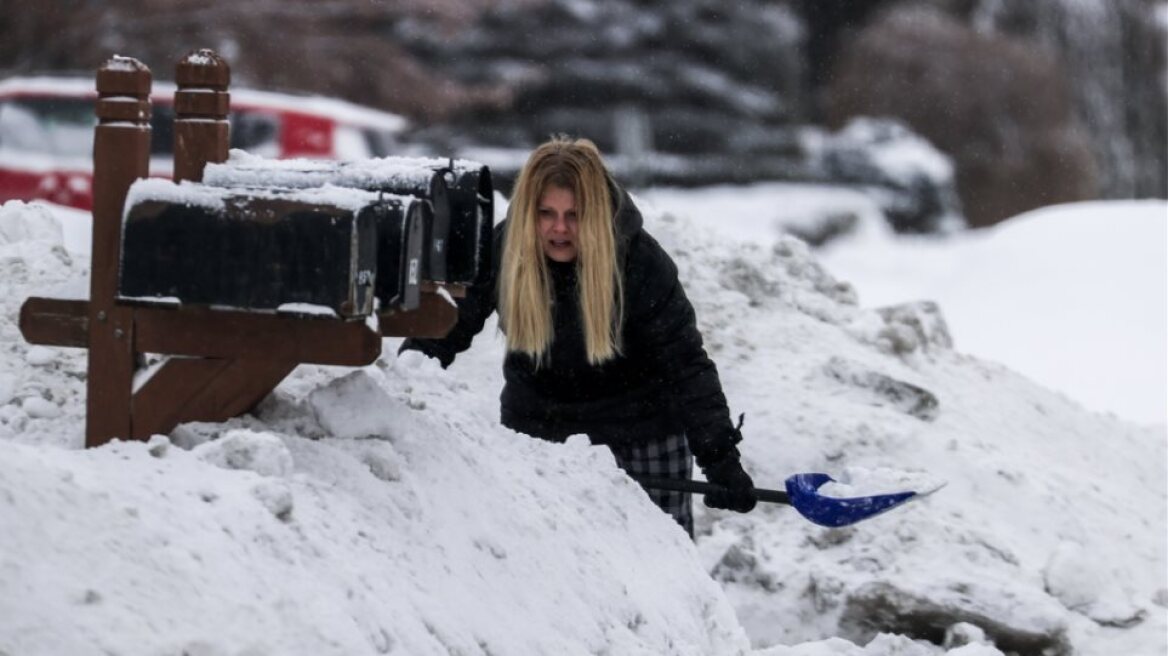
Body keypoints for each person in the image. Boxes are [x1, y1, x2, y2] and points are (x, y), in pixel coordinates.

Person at [400, 136, 756, 537]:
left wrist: (720, 460)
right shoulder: (503, 250)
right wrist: (403, 383)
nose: (559, 228)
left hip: (643, 441)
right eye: (546, 213)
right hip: (537, 439)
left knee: (658, 582)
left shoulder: (640, 262)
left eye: (575, 215)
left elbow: (686, 364)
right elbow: (444, 327)